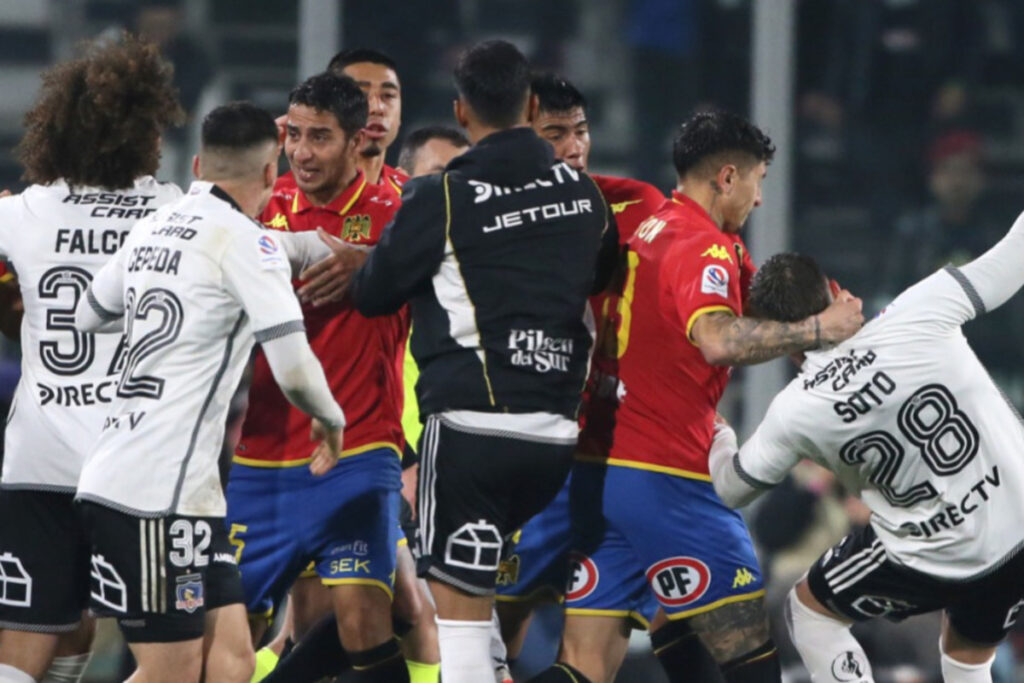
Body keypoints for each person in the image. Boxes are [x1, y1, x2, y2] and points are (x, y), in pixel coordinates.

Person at [530, 110, 864, 683]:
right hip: (666, 473)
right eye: (758, 182)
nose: (759, 200)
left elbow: (756, 310)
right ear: (728, 178)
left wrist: (810, 324)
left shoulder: (653, 226)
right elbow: (716, 339)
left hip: (603, 471)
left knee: (583, 666)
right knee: (749, 653)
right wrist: (818, 331)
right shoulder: (699, 246)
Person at [350, 39, 618, 683]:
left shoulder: (441, 196)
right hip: (556, 440)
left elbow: (372, 295)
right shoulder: (585, 196)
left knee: (461, 632)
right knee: (493, 617)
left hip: (471, 436)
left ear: (462, 113)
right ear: (530, 106)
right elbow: (602, 274)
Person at [71, 102, 344, 683]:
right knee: (171, 674)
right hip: (154, 498)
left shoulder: (157, 226)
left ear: (198, 165)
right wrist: (330, 416)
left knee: (232, 662)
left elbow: (91, 312)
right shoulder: (244, 243)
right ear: (273, 174)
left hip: (169, 493)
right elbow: (293, 367)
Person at [709, 215, 1024, 682]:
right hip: (1017, 520)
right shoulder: (923, 305)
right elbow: (1012, 260)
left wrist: (718, 434)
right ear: (838, 291)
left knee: (808, 610)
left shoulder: (794, 410)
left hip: (935, 555)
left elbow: (731, 490)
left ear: (782, 344)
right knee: (967, 647)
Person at [0, 36, 184, 683]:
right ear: (134, 131)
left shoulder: (22, 213)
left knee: (28, 634)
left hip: (38, 459)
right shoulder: (176, 212)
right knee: (186, 653)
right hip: (136, 465)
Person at [226, 72, 413, 683]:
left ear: (359, 140)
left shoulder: (399, 214)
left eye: (322, 138)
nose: (303, 152)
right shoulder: (261, 207)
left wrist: (376, 264)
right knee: (229, 639)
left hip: (362, 448)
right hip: (264, 455)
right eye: (296, 135)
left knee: (366, 625)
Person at [494, 72, 675, 679]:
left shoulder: (637, 205)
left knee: (615, 647)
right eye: (554, 134)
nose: (574, 148)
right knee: (493, 630)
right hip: (523, 452)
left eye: (581, 132)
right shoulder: (487, 213)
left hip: (613, 454)